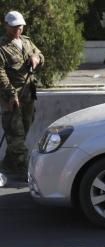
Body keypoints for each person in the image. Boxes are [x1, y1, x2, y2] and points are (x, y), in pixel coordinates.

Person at [0, 11, 44, 179]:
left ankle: (8, 164)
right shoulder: (2, 47)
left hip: (28, 93)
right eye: (15, 27)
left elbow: (40, 55)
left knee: (25, 128)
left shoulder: (26, 41)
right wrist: (11, 94)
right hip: (11, 96)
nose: (19, 29)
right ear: (6, 26)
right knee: (15, 135)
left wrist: (36, 58)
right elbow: (0, 73)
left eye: (20, 26)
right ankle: (25, 171)